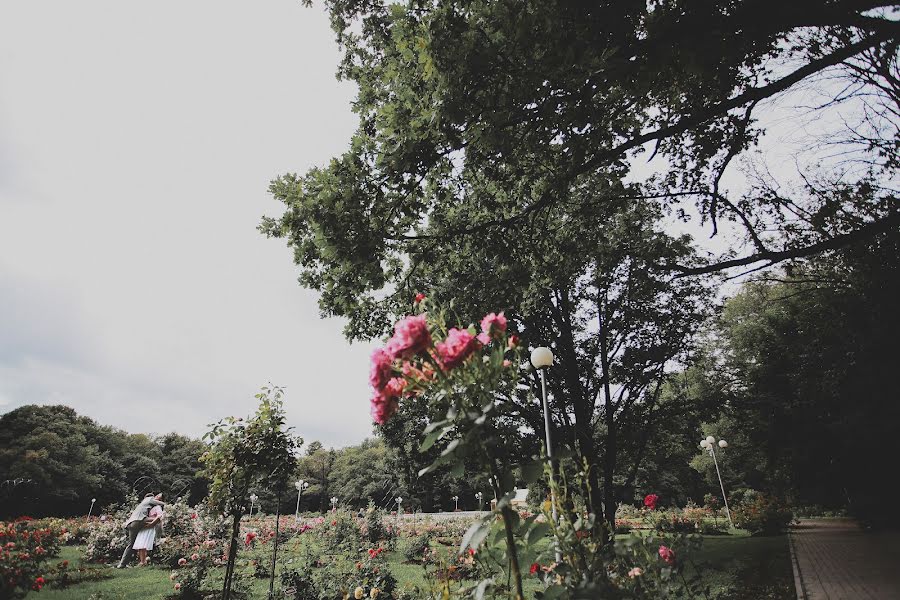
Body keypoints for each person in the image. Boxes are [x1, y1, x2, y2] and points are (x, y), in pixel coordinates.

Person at [116, 493, 164, 568]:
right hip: (139, 520)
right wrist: (167, 505)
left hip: (131, 523)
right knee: (159, 518)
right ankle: (159, 536)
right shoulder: (149, 499)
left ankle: (122, 564)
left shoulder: (142, 504)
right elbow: (161, 504)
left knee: (130, 545)